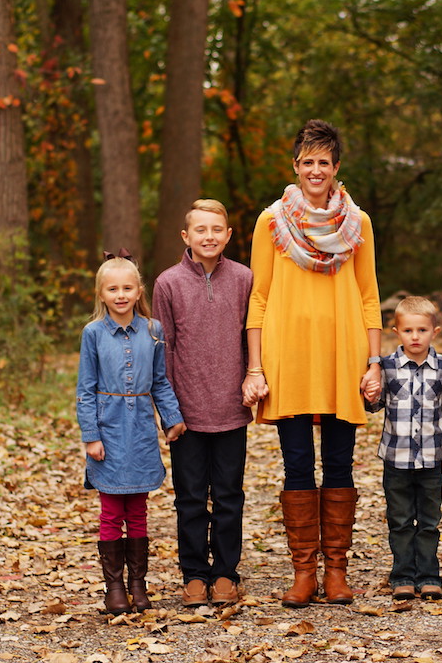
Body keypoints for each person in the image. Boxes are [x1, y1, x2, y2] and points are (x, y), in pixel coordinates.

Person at [242, 119, 382, 608]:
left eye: (324, 161)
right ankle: (304, 573)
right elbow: (258, 296)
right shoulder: (271, 221)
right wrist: (255, 367)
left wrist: (373, 362)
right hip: (289, 360)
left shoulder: (357, 223)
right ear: (295, 167)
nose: (316, 169)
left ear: (336, 166)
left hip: (343, 360)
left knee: (340, 463)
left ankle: (337, 572)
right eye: (308, 161)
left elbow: (369, 297)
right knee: (298, 464)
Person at [152, 199, 253, 608]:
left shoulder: (245, 279)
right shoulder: (168, 283)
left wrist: (253, 379)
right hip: (186, 413)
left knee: (229, 494)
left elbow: (253, 338)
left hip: (230, 407)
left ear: (228, 235)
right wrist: (169, 411)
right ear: (186, 236)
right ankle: (194, 573)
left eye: (217, 230)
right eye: (201, 230)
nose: (209, 237)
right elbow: (164, 349)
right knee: (190, 497)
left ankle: (226, 572)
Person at [76, 251, 187, 614]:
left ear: (139, 290)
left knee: (137, 510)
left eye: (127, 287)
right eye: (113, 289)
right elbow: (85, 388)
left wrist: (172, 418)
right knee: (111, 510)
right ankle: (114, 589)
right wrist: (91, 435)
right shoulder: (92, 334)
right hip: (108, 429)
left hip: (139, 429)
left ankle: (138, 586)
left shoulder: (153, 331)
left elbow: (159, 381)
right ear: (102, 294)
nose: (120, 294)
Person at [364, 296, 442, 601]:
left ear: (434, 332)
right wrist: (370, 393)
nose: (415, 337)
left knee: (428, 521)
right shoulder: (385, 367)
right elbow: (374, 406)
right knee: (399, 521)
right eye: (408, 330)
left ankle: (428, 576)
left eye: (422, 330)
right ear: (396, 332)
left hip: (431, 459)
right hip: (395, 459)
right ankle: (402, 576)